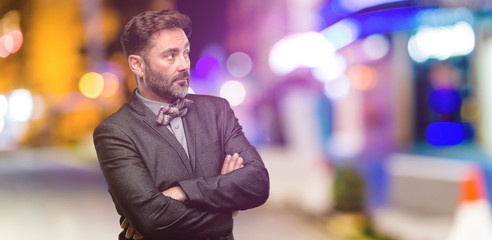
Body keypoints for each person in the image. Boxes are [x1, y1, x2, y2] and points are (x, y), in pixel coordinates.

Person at [93, 9, 270, 240]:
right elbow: (152, 219)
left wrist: (182, 192)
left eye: (186, 53)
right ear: (137, 65)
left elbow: (258, 183)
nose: (184, 64)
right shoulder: (115, 132)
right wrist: (228, 209)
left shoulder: (217, 111)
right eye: (171, 55)